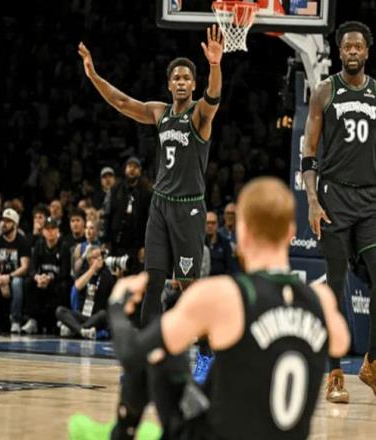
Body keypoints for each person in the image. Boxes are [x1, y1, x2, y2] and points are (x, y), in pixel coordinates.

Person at [70, 177, 350, 439]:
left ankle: (122, 433)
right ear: (291, 233)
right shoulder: (320, 300)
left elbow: (133, 354)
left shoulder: (226, 295)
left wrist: (117, 306)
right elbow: (341, 342)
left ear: (242, 231)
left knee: (161, 355)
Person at [78, 26, 223, 328]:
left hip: (188, 208)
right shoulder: (160, 113)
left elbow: (213, 98)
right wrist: (93, 76)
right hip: (160, 205)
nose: (181, 82)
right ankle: (148, 349)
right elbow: (122, 102)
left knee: (188, 285)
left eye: (186, 78)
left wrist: (214, 65)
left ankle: (206, 349)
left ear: (193, 85)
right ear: (169, 84)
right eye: (176, 78)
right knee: (153, 280)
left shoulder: (199, 115)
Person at [302, 20, 376, 402]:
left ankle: (371, 364)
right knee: (335, 285)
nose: (352, 51)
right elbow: (309, 152)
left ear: (367, 52)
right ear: (340, 50)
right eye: (347, 46)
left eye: (358, 46)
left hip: (370, 200)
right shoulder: (325, 91)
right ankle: (334, 373)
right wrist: (312, 200)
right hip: (333, 198)